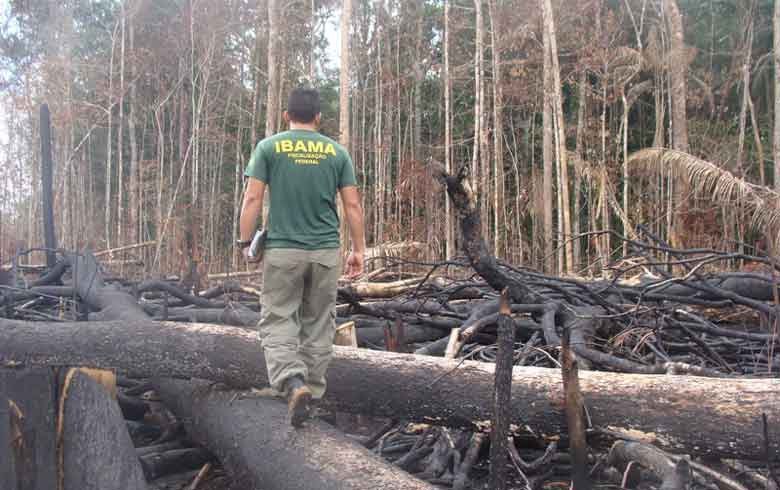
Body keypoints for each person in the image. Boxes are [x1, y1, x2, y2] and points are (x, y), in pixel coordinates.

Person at [237, 88, 365, 427]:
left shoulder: (269, 147)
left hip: (283, 251)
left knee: (279, 320)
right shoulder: (337, 152)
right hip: (325, 252)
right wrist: (358, 249)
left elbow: (252, 199)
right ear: (318, 117)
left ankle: (292, 384)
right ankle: (311, 395)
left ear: (286, 116)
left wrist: (245, 242)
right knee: (319, 325)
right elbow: (352, 205)